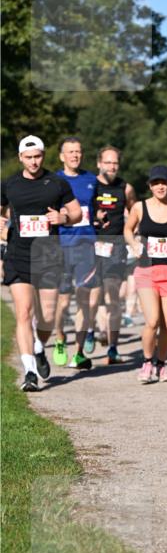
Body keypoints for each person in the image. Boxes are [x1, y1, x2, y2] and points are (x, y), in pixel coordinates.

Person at [1, 136, 82, 390]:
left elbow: (77, 212)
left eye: (37, 156)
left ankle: (39, 346)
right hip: (18, 255)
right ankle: (29, 372)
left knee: (47, 316)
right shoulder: (9, 185)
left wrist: (63, 218)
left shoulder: (57, 183)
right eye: (28, 157)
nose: (33, 161)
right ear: (20, 158)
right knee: (24, 312)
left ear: (43, 156)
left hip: (48, 257)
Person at [124, 166, 167, 382]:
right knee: (152, 321)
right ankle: (147, 363)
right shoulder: (139, 207)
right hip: (146, 271)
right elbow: (127, 230)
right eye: (155, 183)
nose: (160, 187)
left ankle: (161, 365)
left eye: (163, 182)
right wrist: (134, 243)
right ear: (150, 186)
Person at [53, 138, 100, 370]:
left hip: (86, 247)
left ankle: (79, 352)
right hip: (61, 246)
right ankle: (60, 337)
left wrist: (100, 218)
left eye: (78, 152)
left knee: (84, 300)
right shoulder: (53, 181)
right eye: (70, 152)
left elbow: (95, 209)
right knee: (62, 301)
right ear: (62, 156)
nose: (75, 155)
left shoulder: (91, 180)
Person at [89, 145, 137, 364]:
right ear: (99, 163)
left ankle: (113, 347)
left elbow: (135, 212)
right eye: (107, 162)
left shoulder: (126, 188)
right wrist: (94, 218)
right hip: (91, 245)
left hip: (115, 247)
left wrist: (132, 234)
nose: (111, 166)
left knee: (113, 297)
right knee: (92, 296)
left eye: (115, 163)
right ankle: (91, 330)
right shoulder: (90, 186)